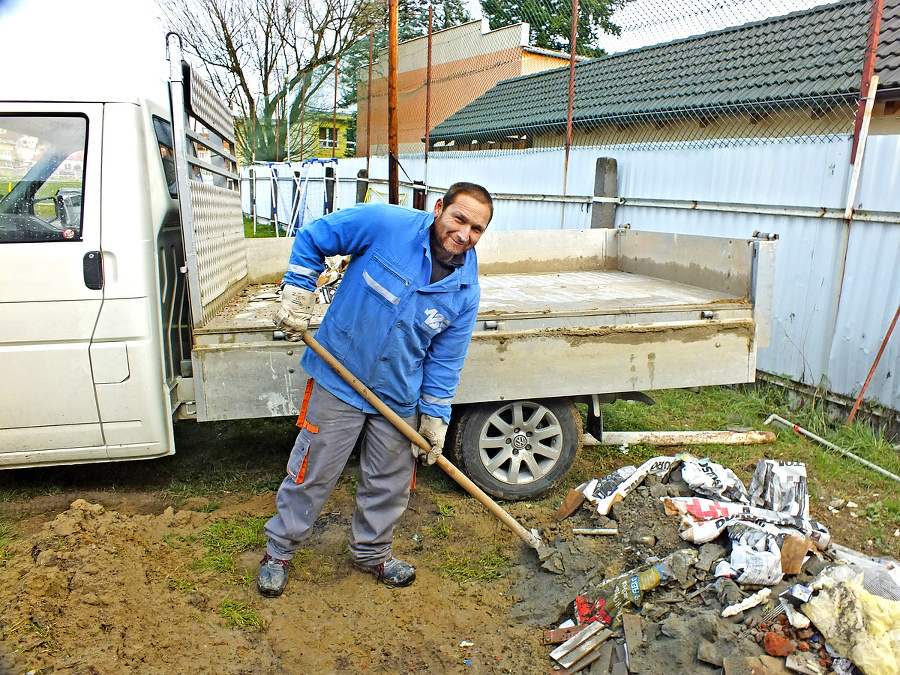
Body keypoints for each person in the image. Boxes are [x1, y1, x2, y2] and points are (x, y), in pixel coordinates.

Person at [258, 182, 493, 597]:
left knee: (390, 482)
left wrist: (435, 417)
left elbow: (445, 360)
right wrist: (298, 292)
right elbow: (315, 237)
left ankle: (372, 553)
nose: (464, 234)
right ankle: (278, 551)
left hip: (399, 392)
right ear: (439, 208)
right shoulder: (384, 224)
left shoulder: (465, 291)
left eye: (477, 228)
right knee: (313, 470)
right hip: (339, 375)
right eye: (459, 218)